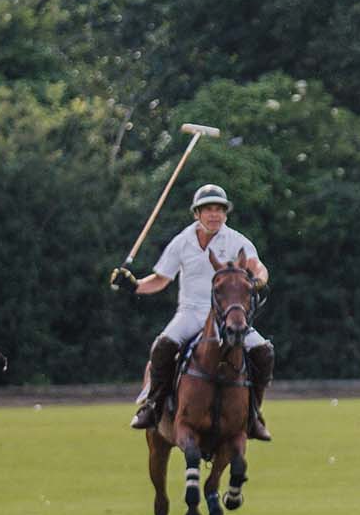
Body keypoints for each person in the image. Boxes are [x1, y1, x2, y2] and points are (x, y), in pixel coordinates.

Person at [112, 183, 274, 440]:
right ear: (197, 213)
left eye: (219, 209)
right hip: (190, 312)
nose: (214, 215)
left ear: (226, 213)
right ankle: (152, 406)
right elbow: (161, 279)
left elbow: (258, 267)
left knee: (264, 351)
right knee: (162, 347)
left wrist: (258, 280)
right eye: (208, 209)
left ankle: (253, 414)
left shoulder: (236, 240)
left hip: (226, 315)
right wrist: (134, 286)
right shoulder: (182, 241)